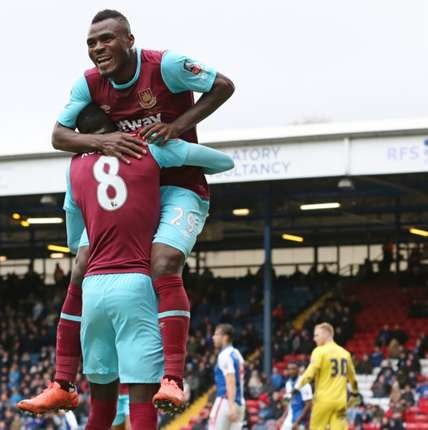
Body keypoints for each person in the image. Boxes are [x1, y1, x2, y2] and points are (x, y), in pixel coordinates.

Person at [31, 8, 235, 414]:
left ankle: (173, 377)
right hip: (130, 191)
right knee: (83, 262)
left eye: (106, 39)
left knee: (164, 260)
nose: (98, 49)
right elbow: (58, 136)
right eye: (91, 43)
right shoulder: (89, 84)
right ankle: (61, 381)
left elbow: (224, 86)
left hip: (179, 184)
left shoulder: (167, 66)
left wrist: (179, 125)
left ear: (129, 39)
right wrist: (104, 143)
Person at [296, 323, 359, 430]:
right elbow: (353, 379)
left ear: (326, 334)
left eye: (317, 335)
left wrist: (297, 386)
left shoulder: (319, 351)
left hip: (323, 400)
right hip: (340, 402)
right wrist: (354, 394)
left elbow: (310, 373)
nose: (314, 339)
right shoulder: (345, 353)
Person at [208, 324, 245, 430]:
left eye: (216, 334)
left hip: (226, 401)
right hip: (240, 402)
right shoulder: (237, 353)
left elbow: (231, 380)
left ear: (225, 337)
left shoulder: (224, 355)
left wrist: (231, 405)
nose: (213, 337)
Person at [278, 362, 312, 430]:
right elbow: (287, 402)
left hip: (301, 420)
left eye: (293, 369)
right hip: (290, 418)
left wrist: (297, 422)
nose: (291, 371)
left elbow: (308, 404)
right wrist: (283, 417)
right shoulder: (288, 383)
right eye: (289, 369)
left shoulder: (304, 383)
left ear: (298, 370)